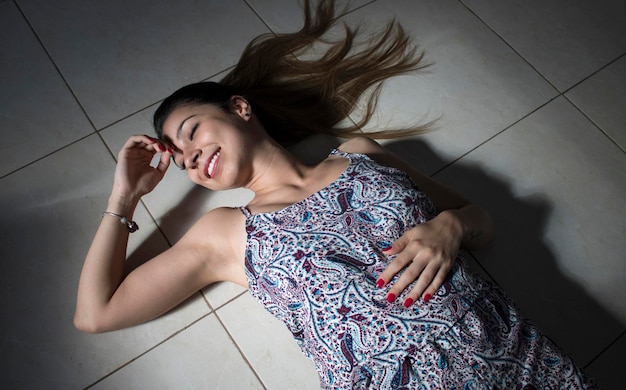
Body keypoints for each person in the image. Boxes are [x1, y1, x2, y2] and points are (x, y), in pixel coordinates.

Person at [74, 1, 596, 388]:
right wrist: (125, 196)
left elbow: (480, 220)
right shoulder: (226, 233)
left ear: (239, 108)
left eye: (192, 132)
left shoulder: (359, 153)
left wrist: (451, 226)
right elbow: (96, 313)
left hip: (522, 360)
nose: (189, 158)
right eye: (181, 160)